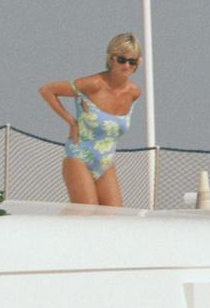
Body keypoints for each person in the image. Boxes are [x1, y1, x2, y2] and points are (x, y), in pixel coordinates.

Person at [39, 33, 142, 206]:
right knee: (85, 213)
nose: (126, 65)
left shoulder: (134, 93)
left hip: (105, 162)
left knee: (113, 217)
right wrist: (71, 121)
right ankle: (52, 230)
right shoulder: (93, 84)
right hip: (78, 157)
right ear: (111, 58)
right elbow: (47, 90)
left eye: (132, 61)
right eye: (122, 59)